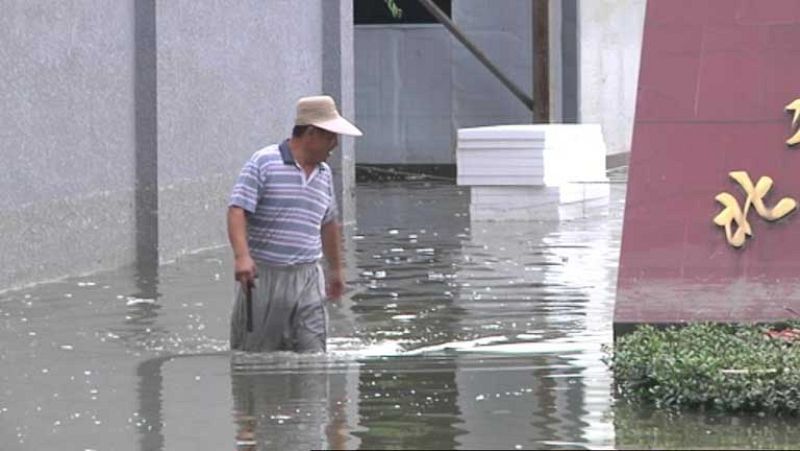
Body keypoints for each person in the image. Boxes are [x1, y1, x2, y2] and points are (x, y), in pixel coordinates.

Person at [227, 95, 362, 352]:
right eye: (330, 136)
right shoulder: (264, 162)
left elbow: (329, 223)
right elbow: (237, 210)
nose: (334, 145)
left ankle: (310, 393)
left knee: (314, 354)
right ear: (311, 133)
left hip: (308, 276)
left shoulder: (324, 175)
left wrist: (336, 271)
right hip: (264, 277)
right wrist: (242, 257)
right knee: (257, 357)